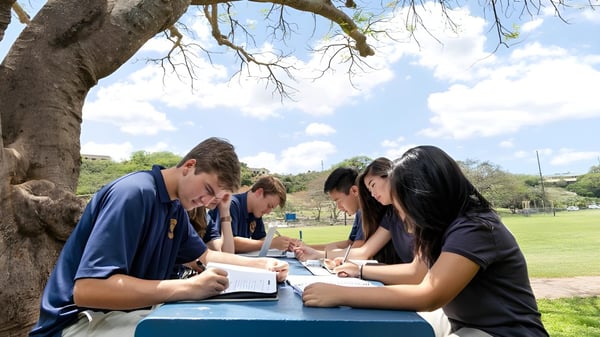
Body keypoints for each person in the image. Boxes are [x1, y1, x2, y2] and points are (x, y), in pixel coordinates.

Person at [29, 137, 289, 337]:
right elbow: (88, 291)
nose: (207, 201)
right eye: (208, 189)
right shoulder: (134, 193)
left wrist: (264, 266)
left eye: (215, 197)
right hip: (76, 324)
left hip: (124, 313)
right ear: (189, 166)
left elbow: (205, 255)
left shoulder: (175, 206)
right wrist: (189, 287)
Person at [302, 146, 549, 337]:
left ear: (426, 193)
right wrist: (359, 272)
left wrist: (339, 294)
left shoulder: (475, 227)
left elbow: (429, 294)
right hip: (463, 324)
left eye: (403, 196)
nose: (399, 207)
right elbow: (415, 274)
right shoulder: (438, 227)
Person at [208, 175, 295, 254]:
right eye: (269, 206)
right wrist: (270, 243)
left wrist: (283, 244)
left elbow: (260, 239)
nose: (268, 211)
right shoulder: (230, 205)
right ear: (259, 192)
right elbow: (227, 243)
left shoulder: (256, 212)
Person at [293, 167, 366, 261]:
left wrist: (324, 253)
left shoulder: (367, 212)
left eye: (338, 200)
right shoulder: (359, 213)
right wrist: (307, 247)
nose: (339, 207)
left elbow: (356, 250)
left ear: (354, 191)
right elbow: (350, 243)